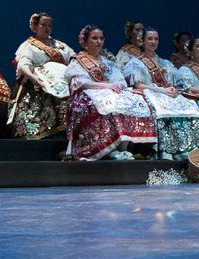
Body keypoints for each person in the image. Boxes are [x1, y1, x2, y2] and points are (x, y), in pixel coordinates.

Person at [123, 28, 199, 159]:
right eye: (149, 39)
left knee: (189, 107)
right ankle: (166, 151)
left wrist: (173, 89)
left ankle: (189, 147)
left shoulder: (165, 63)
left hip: (168, 94)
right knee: (161, 110)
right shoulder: (135, 62)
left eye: (156, 39)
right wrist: (162, 91)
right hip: (149, 94)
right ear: (142, 41)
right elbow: (138, 85)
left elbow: (178, 84)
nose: (153, 41)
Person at [63, 25, 156, 160]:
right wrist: (105, 85)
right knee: (108, 106)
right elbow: (79, 83)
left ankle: (122, 147)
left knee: (131, 101)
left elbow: (119, 80)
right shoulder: (78, 61)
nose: (98, 41)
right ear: (85, 41)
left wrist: (115, 86)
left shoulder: (107, 62)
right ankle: (106, 148)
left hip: (109, 91)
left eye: (101, 38)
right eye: (94, 38)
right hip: (87, 94)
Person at [9, 12, 76, 140]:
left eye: (50, 25)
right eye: (43, 25)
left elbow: (73, 58)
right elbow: (24, 64)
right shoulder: (28, 45)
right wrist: (33, 77)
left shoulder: (59, 45)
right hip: (38, 80)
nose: (47, 28)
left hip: (62, 80)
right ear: (35, 26)